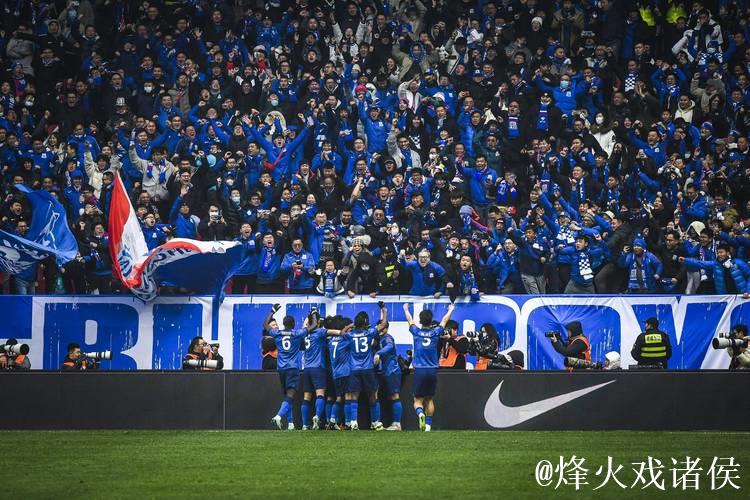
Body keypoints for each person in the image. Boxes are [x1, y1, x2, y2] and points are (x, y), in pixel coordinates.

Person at [403, 302, 455, 432]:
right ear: (431, 321)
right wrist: (450, 310)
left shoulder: (416, 332)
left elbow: (410, 320)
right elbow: (444, 320)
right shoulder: (436, 332)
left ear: (420, 321)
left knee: (417, 400)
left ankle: (420, 414)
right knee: (429, 398)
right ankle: (428, 426)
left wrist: (406, 309)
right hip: (432, 370)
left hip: (420, 370)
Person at [299, 308, 350, 430]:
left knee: (307, 397)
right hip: (319, 367)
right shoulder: (320, 332)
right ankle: (318, 417)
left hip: (306, 368)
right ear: (317, 322)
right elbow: (338, 332)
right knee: (321, 395)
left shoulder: (303, 334)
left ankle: (305, 425)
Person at [263, 304, 309, 430]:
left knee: (287, 396)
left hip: (281, 368)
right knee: (290, 395)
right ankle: (279, 416)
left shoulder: (277, 333)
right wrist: (313, 314)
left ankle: (290, 423)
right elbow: (313, 327)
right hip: (292, 368)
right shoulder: (297, 334)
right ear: (293, 324)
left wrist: (272, 311)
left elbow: (265, 324)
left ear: (283, 324)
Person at [346, 305, 389, 430]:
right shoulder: (370, 333)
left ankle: (353, 422)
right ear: (366, 322)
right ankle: (375, 422)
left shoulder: (350, 335)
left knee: (354, 396)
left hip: (354, 369)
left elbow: (342, 333)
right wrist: (384, 311)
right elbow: (383, 324)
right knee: (373, 394)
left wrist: (350, 325)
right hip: (367, 368)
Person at [373, 302, 403, 431]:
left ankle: (397, 424)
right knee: (392, 396)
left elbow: (390, 346)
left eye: (382, 328)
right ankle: (395, 423)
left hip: (392, 370)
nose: (380, 330)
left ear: (386, 329)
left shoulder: (388, 338)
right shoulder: (380, 338)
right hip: (387, 370)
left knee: (395, 395)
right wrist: (383, 310)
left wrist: (378, 353)